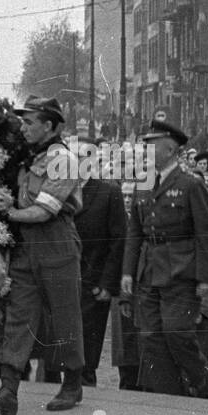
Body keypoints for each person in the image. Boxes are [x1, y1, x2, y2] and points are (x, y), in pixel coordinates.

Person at [0, 97, 86, 415]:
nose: (23, 128)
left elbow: (45, 210)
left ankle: (72, 384)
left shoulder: (63, 159)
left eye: (29, 122)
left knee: (64, 316)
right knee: (19, 316)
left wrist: (8, 214)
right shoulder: (31, 158)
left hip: (56, 243)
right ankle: (8, 390)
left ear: (49, 125)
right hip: (27, 247)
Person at [121, 118, 208, 398]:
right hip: (149, 270)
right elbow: (134, 233)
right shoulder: (143, 184)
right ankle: (169, 396)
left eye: (152, 146)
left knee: (177, 332)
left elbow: (207, 235)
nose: (146, 152)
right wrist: (127, 272)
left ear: (170, 150)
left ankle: (200, 379)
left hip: (181, 271)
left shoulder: (191, 185)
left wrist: (205, 280)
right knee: (150, 336)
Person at [72, 139, 125, 386]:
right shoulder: (58, 191)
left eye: (83, 156)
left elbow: (118, 241)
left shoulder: (108, 192)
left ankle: (84, 389)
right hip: (62, 280)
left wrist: (107, 284)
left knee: (87, 351)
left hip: (93, 283)